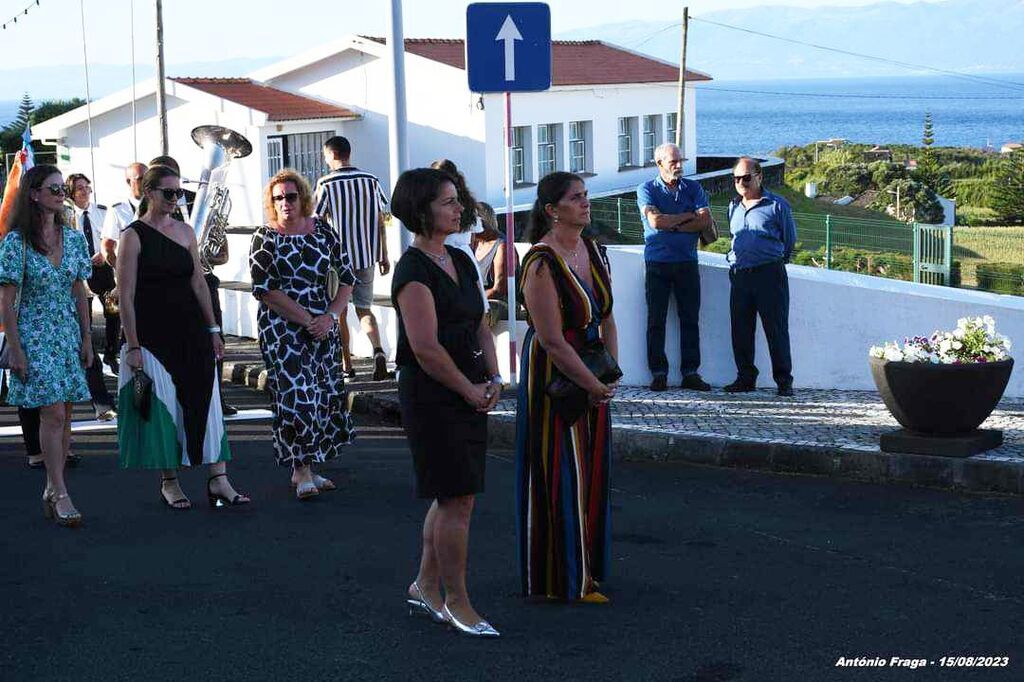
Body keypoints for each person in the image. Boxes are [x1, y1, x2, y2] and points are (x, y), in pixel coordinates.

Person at [390, 167, 501, 637]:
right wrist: (468, 388)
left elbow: (480, 322)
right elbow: (426, 348)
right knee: (456, 497)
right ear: (421, 211)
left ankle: (425, 585)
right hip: (435, 395)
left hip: (468, 388)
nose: (460, 208)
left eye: (458, 200)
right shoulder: (412, 270)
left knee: (455, 495)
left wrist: (494, 376)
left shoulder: (457, 258)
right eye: (448, 202)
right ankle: (457, 600)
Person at [115, 164, 249, 509]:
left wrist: (214, 329)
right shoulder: (132, 236)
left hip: (192, 330)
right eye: (169, 193)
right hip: (153, 335)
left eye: (179, 192)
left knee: (208, 402)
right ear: (149, 193)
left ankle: (219, 479)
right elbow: (125, 295)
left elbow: (198, 282)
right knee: (164, 409)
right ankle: (169, 482)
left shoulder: (187, 232)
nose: (176, 199)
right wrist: (132, 345)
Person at [517, 171, 617, 603]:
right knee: (558, 470)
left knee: (592, 470)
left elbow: (607, 316)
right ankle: (560, 577)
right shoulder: (540, 263)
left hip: (592, 369)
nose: (585, 203)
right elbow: (552, 339)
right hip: (555, 375)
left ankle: (588, 571)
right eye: (576, 198)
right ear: (552, 210)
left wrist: (610, 375)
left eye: (585, 196)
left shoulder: (592, 250)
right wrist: (591, 381)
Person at [250, 170, 357, 499]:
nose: (285, 203)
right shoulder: (264, 237)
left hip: (323, 327)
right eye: (278, 198)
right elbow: (265, 289)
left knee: (323, 397)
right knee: (296, 399)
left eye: (291, 196)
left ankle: (306, 466)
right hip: (282, 329)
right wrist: (308, 319)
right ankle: (303, 470)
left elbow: (347, 278)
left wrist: (329, 317)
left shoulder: (323, 230)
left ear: (303, 199)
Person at [0, 165, 93, 527]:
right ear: (34, 194)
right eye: (52, 188)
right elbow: (5, 300)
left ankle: (53, 489)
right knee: (51, 413)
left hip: (66, 334)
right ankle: (61, 492)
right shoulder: (16, 242)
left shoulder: (73, 240)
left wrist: (87, 338)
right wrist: (15, 346)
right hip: (34, 335)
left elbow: (79, 292)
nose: (60, 193)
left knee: (65, 414)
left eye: (61, 188)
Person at [148, 155, 237, 416]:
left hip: (204, 282)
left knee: (214, 340)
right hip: (167, 287)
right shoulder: (147, 209)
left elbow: (223, 254)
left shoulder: (200, 200)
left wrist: (205, 251)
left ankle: (216, 398)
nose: (172, 192)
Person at [636, 142, 714, 392]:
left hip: (687, 262)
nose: (679, 166)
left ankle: (691, 372)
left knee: (690, 319)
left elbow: (705, 220)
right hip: (657, 263)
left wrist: (673, 222)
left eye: (681, 161)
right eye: (673, 162)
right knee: (655, 320)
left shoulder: (693, 187)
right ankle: (658, 373)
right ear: (660, 164)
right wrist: (686, 217)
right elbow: (655, 221)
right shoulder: (646, 189)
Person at [315, 136, 390, 381]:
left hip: (338, 262)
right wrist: (384, 254)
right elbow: (381, 219)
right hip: (368, 256)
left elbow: (317, 221)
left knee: (341, 313)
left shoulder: (325, 183)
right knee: (365, 309)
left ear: (331, 155)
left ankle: (347, 365)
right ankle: (378, 351)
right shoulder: (371, 180)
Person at [725, 156, 797, 397]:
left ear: (759, 176)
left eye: (746, 177)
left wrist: (772, 261)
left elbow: (789, 241)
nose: (741, 183)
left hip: (769, 274)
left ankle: (784, 380)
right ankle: (745, 378)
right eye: (736, 178)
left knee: (775, 329)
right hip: (740, 276)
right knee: (741, 330)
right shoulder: (733, 206)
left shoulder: (777, 205)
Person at [66, 173, 118, 420]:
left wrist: (100, 255)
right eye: (79, 189)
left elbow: (108, 237)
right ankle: (101, 400)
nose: (85, 192)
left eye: (87, 187)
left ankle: (111, 350)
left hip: (101, 268)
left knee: (113, 311)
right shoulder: (65, 217)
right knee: (84, 334)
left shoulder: (101, 211)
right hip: (78, 276)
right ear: (71, 193)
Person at [471, 201, 519, 324]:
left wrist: (470, 299)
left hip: (501, 303)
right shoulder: (476, 244)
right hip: (480, 299)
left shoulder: (503, 247)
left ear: (480, 222)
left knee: (471, 316)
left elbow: (498, 290)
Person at [100, 162, 146, 268]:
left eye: (148, 178)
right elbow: (107, 245)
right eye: (140, 179)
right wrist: (120, 269)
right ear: (129, 182)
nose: (145, 182)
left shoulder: (156, 207)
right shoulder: (118, 210)